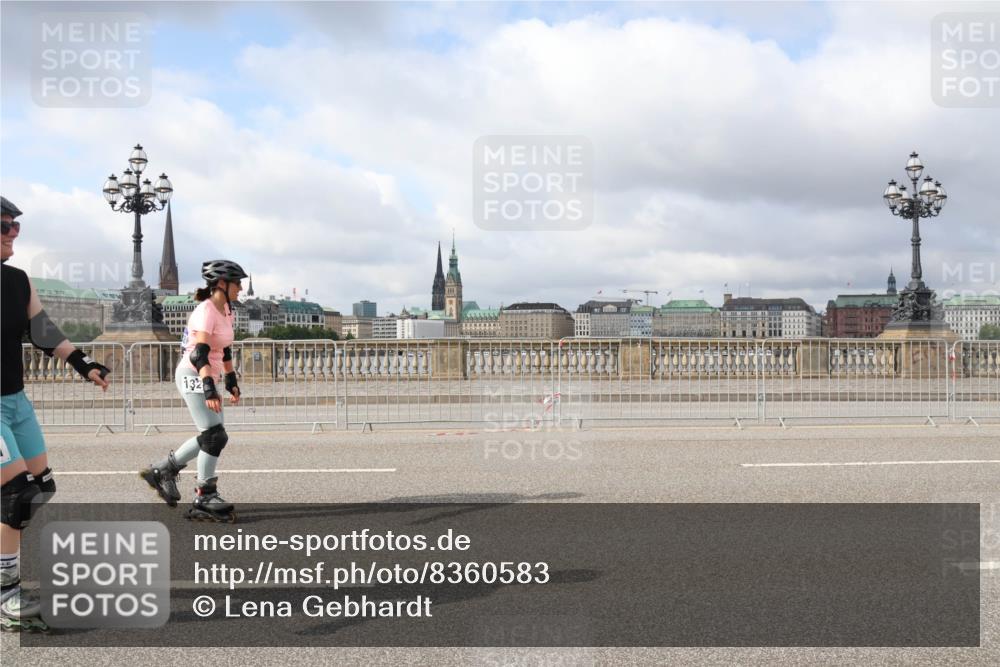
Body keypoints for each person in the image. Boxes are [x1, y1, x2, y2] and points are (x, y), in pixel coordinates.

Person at [1, 196, 110, 632]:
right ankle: (5, 594)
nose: (13, 233)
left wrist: (84, 363)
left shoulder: (17, 280)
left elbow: (42, 330)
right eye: (4, 225)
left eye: (16, 226)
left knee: (39, 489)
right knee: (15, 495)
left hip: (14, 400)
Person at [140, 259, 246, 523]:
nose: (241, 288)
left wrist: (231, 378)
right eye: (237, 283)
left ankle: (163, 470)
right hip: (192, 373)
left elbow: (224, 348)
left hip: (207, 375)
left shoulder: (226, 309)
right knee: (214, 436)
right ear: (221, 284)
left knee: (212, 435)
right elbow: (199, 354)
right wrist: (209, 388)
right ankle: (205, 495)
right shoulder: (205, 311)